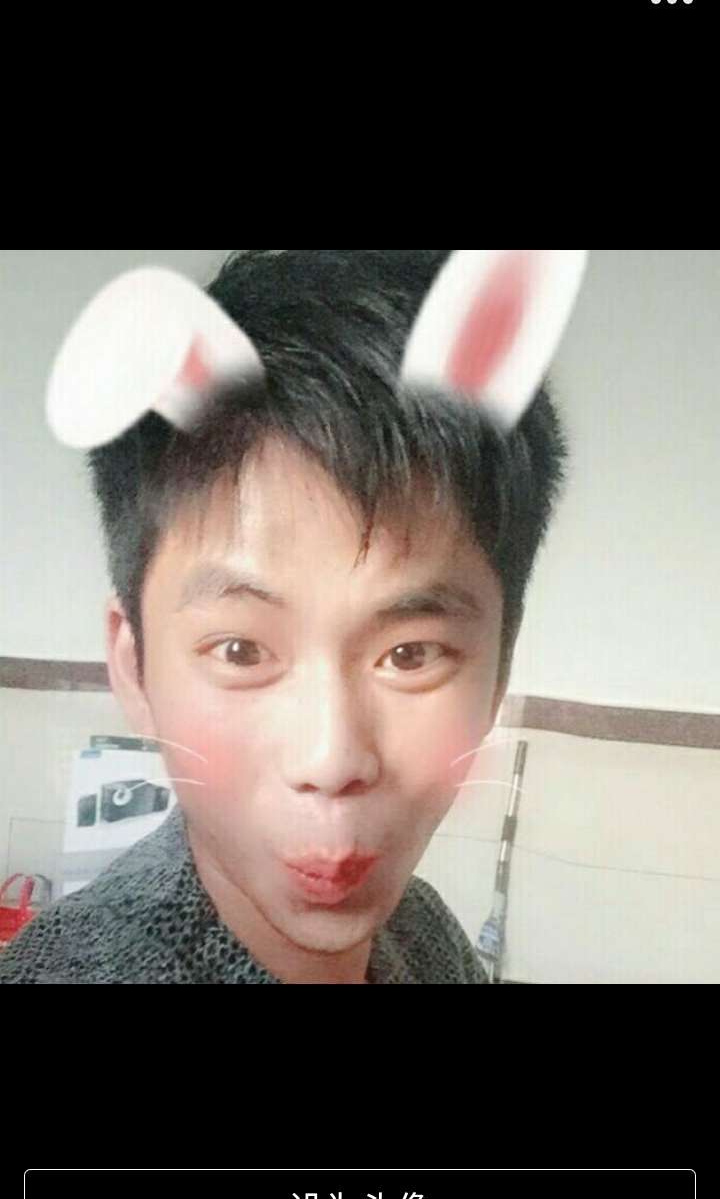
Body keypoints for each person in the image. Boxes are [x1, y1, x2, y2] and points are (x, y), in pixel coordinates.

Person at [0, 249, 574, 984]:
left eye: (410, 654)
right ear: (135, 666)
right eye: (241, 650)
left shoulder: (423, 933)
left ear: (500, 668)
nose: (330, 761)